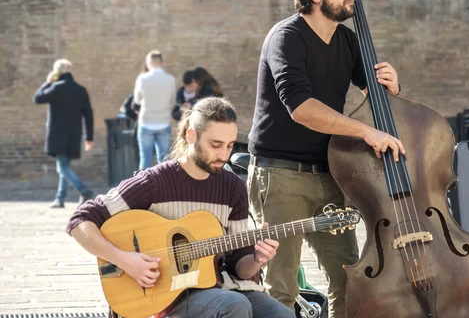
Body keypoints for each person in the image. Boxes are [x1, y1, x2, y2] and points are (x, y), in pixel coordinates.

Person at [247, 0, 405, 317]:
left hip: (330, 175)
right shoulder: (287, 37)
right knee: (280, 286)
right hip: (281, 176)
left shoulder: (348, 41)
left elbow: (376, 101)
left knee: (349, 279)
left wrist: (392, 89)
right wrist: (365, 132)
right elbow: (301, 107)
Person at [66, 97, 296, 318]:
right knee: (233, 306)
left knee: (282, 314)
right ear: (191, 136)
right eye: (215, 145)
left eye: (229, 146)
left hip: (223, 287)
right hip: (169, 295)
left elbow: (239, 267)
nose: (224, 155)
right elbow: (80, 220)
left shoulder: (233, 188)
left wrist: (257, 258)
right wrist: (124, 260)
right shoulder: (154, 182)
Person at [33, 58, 95, 208]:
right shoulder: (81, 90)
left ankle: (84, 190)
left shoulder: (56, 88)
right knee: (64, 166)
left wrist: (48, 82)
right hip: (74, 135)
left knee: (62, 168)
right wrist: (89, 137)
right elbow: (88, 114)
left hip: (57, 135)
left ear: (56, 72)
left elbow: (37, 98)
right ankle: (60, 199)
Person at [133, 50, 177, 169]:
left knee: (145, 159)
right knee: (164, 161)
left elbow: (137, 100)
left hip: (146, 121)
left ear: (148, 63)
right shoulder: (170, 79)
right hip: (163, 122)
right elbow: (173, 101)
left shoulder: (142, 79)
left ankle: (142, 186)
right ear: (162, 63)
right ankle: (166, 187)